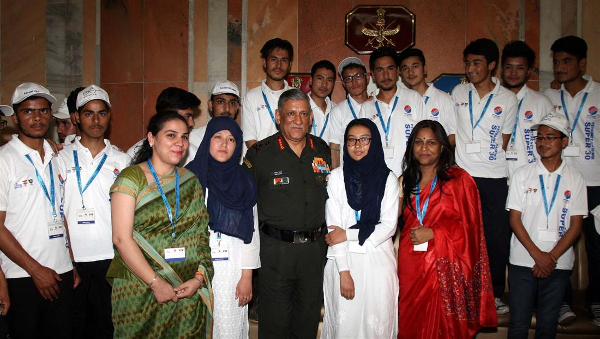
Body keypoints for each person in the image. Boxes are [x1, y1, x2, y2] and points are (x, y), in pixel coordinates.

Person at [108, 111, 213, 338]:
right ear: (151, 138)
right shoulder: (131, 178)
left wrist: (198, 278)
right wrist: (156, 283)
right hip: (140, 288)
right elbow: (121, 239)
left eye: (184, 137)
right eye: (171, 136)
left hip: (185, 289)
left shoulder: (189, 180)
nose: (180, 143)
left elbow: (201, 234)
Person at [243, 88, 331, 338]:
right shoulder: (260, 154)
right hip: (276, 253)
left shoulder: (322, 149)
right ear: (278, 116)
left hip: (314, 253)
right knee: (275, 324)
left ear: (311, 117)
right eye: (291, 113)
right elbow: (246, 207)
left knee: (308, 319)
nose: (297, 120)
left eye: (303, 114)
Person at [398, 119, 497, 338]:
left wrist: (436, 232)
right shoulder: (404, 181)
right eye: (419, 142)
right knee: (410, 322)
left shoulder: (460, 180)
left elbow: (472, 230)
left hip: (445, 267)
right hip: (411, 263)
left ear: (443, 147)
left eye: (431, 142)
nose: (424, 148)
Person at [0, 82, 79, 338]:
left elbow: (60, 211)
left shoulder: (57, 156)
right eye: (28, 111)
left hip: (62, 272)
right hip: (23, 275)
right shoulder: (5, 160)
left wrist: (72, 262)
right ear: (15, 117)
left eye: (44, 111)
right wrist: (36, 270)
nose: (37, 118)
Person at [451, 38, 518, 314]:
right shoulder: (457, 92)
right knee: (462, 236)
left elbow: (504, 140)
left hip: (494, 178)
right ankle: (464, 289)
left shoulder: (508, 99)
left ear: (492, 65)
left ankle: (496, 294)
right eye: (467, 63)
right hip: (463, 177)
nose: (471, 68)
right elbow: (452, 135)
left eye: (477, 63)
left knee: (496, 237)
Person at [59, 85, 131, 338]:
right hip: (71, 259)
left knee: (107, 326)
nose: (96, 120)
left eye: (101, 113)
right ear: (76, 117)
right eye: (88, 113)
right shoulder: (60, 158)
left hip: (110, 256)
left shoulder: (121, 161)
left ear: (109, 115)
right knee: (74, 325)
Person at [506, 113, 587, 338]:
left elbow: (576, 226)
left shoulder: (576, 178)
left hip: (558, 264)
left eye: (550, 137)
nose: (543, 142)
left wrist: (550, 257)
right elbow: (514, 219)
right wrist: (537, 255)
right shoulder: (522, 174)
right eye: (539, 137)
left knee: (547, 326)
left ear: (564, 141)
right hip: (523, 261)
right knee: (518, 325)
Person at [321, 118, 399, 338]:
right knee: (345, 326)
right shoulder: (336, 178)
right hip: (343, 262)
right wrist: (344, 272)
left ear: (373, 142)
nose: (357, 145)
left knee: (377, 325)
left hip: (377, 262)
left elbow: (388, 226)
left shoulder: (388, 179)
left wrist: (348, 233)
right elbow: (333, 228)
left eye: (364, 139)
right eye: (351, 140)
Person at [543, 36, 600, 326]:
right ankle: (562, 300)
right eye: (556, 62)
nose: (560, 67)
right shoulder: (549, 96)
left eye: (566, 61)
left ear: (582, 64)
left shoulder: (599, 95)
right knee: (557, 240)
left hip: (595, 184)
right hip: (559, 183)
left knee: (597, 245)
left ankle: (596, 301)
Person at [186, 116, 259, 338]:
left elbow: (251, 232)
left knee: (228, 327)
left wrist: (247, 277)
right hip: (196, 264)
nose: (224, 144)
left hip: (233, 267)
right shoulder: (191, 176)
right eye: (217, 137)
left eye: (230, 139)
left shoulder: (245, 180)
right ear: (207, 139)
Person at [359, 46, 425, 177]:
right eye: (380, 70)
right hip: (376, 176)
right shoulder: (367, 107)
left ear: (398, 71)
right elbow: (362, 146)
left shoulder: (413, 98)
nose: (385, 75)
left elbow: (424, 136)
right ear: (372, 75)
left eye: (390, 68)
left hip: (410, 175)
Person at [500, 41, 553, 178]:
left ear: (529, 71)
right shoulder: (492, 101)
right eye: (508, 67)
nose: (513, 72)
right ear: (501, 69)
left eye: (520, 68)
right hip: (497, 177)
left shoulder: (541, 103)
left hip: (531, 179)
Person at [126, 87, 201, 166]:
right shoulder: (132, 156)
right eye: (171, 135)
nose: (192, 123)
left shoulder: (195, 155)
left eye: (184, 137)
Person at [398, 48, 456, 146]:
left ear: (425, 69)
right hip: (408, 160)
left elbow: (453, 135)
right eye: (405, 68)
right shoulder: (399, 101)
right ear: (400, 74)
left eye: (415, 66)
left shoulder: (444, 99)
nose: (410, 72)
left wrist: (436, 153)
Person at [242, 38, 293, 149]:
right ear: (264, 62)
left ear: (289, 65)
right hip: (259, 162)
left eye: (284, 60)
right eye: (274, 59)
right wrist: (264, 164)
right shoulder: (251, 97)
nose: (278, 65)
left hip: (289, 163)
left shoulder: (297, 97)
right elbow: (250, 139)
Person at [329, 57, 371, 169]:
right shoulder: (338, 111)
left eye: (358, 76)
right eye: (348, 78)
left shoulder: (378, 106)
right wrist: (335, 177)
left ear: (367, 77)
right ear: (343, 83)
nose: (354, 82)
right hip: (349, 174)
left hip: (375, 172)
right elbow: (335, 148)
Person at [187, 81, 243, 160]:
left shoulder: (242, 141)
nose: (227, 108)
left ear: (237, 107)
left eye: (232, 103)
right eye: (221, 102)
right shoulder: (192, 138)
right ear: (210, 105)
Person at [308, 60, 336, 142]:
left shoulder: (337, 109)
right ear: (310, 80)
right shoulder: (299, 107)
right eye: (320, 78)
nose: (324, 84)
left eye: (329, 80)